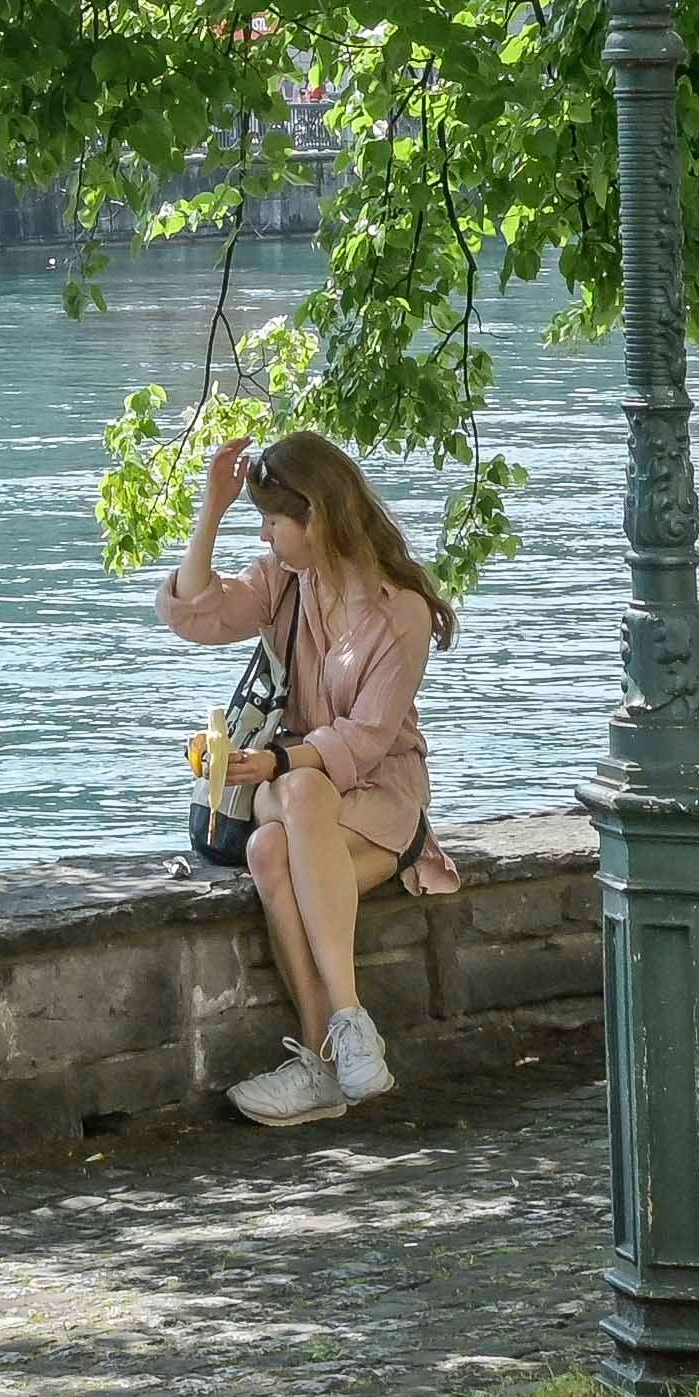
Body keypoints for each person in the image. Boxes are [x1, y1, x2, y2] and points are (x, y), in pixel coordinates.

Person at [159, 430, 464, 1128]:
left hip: (378, 798)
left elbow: (367, 738)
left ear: (316, 516)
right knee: (296, 798)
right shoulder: (285, 583)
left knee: (270, 851)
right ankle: (350, 1034)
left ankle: (324, 1063)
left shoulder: (401, 610)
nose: (265, 537)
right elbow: (192, 615)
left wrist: (278, 762)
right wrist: (211, 507)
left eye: (273, 521)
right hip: (290, 787)